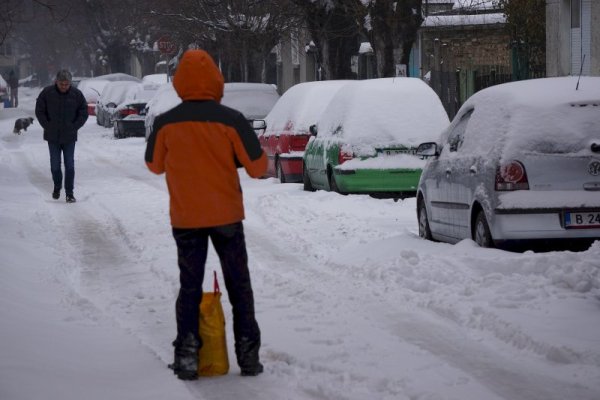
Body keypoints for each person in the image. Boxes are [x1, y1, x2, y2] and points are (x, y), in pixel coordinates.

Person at [145, 49, 268, 381]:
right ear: (216, 79)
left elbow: (154, 165)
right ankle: (248, 355)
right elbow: (258, 167)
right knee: (239, 285)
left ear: (180, 82)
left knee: (189, 286)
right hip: (226, 216)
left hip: (185, 218)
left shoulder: (166, 122)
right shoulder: (231, 120)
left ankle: (187, 356)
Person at [35, 70, 88, 203]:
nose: (64, 86)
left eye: (67, 84)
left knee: (69, 165)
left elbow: (83, 112)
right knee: (55, 166)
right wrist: (47, 125)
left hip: (69, 136)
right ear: (56, 82)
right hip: (52, 136)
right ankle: (57, 186)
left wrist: (75, 126)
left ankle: (70, 193)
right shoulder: (47, 93)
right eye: (61, 84)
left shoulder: (77, 95)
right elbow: (40, 111)